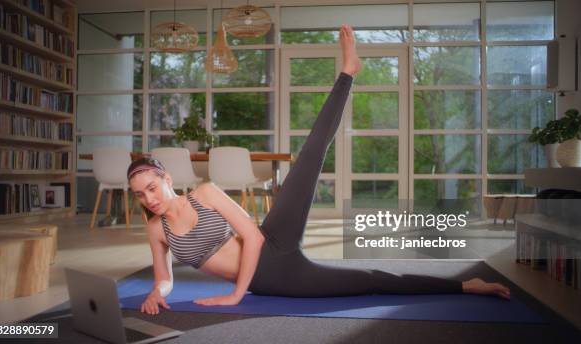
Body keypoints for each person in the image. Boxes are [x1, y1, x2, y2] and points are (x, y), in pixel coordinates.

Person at [128, 25, 511, 315]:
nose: (149, 198)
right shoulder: (155, 228)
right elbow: (164, 279)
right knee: (371, 283)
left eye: (151, 187)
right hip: (276, 278)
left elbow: (254, 238)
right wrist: (155, 293)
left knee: (310, 155)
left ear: (167, 178)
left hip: (270, 241)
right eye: (140, 194)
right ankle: (466, 286)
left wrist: (235, 294)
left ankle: (348, 71)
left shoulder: (205, 193)